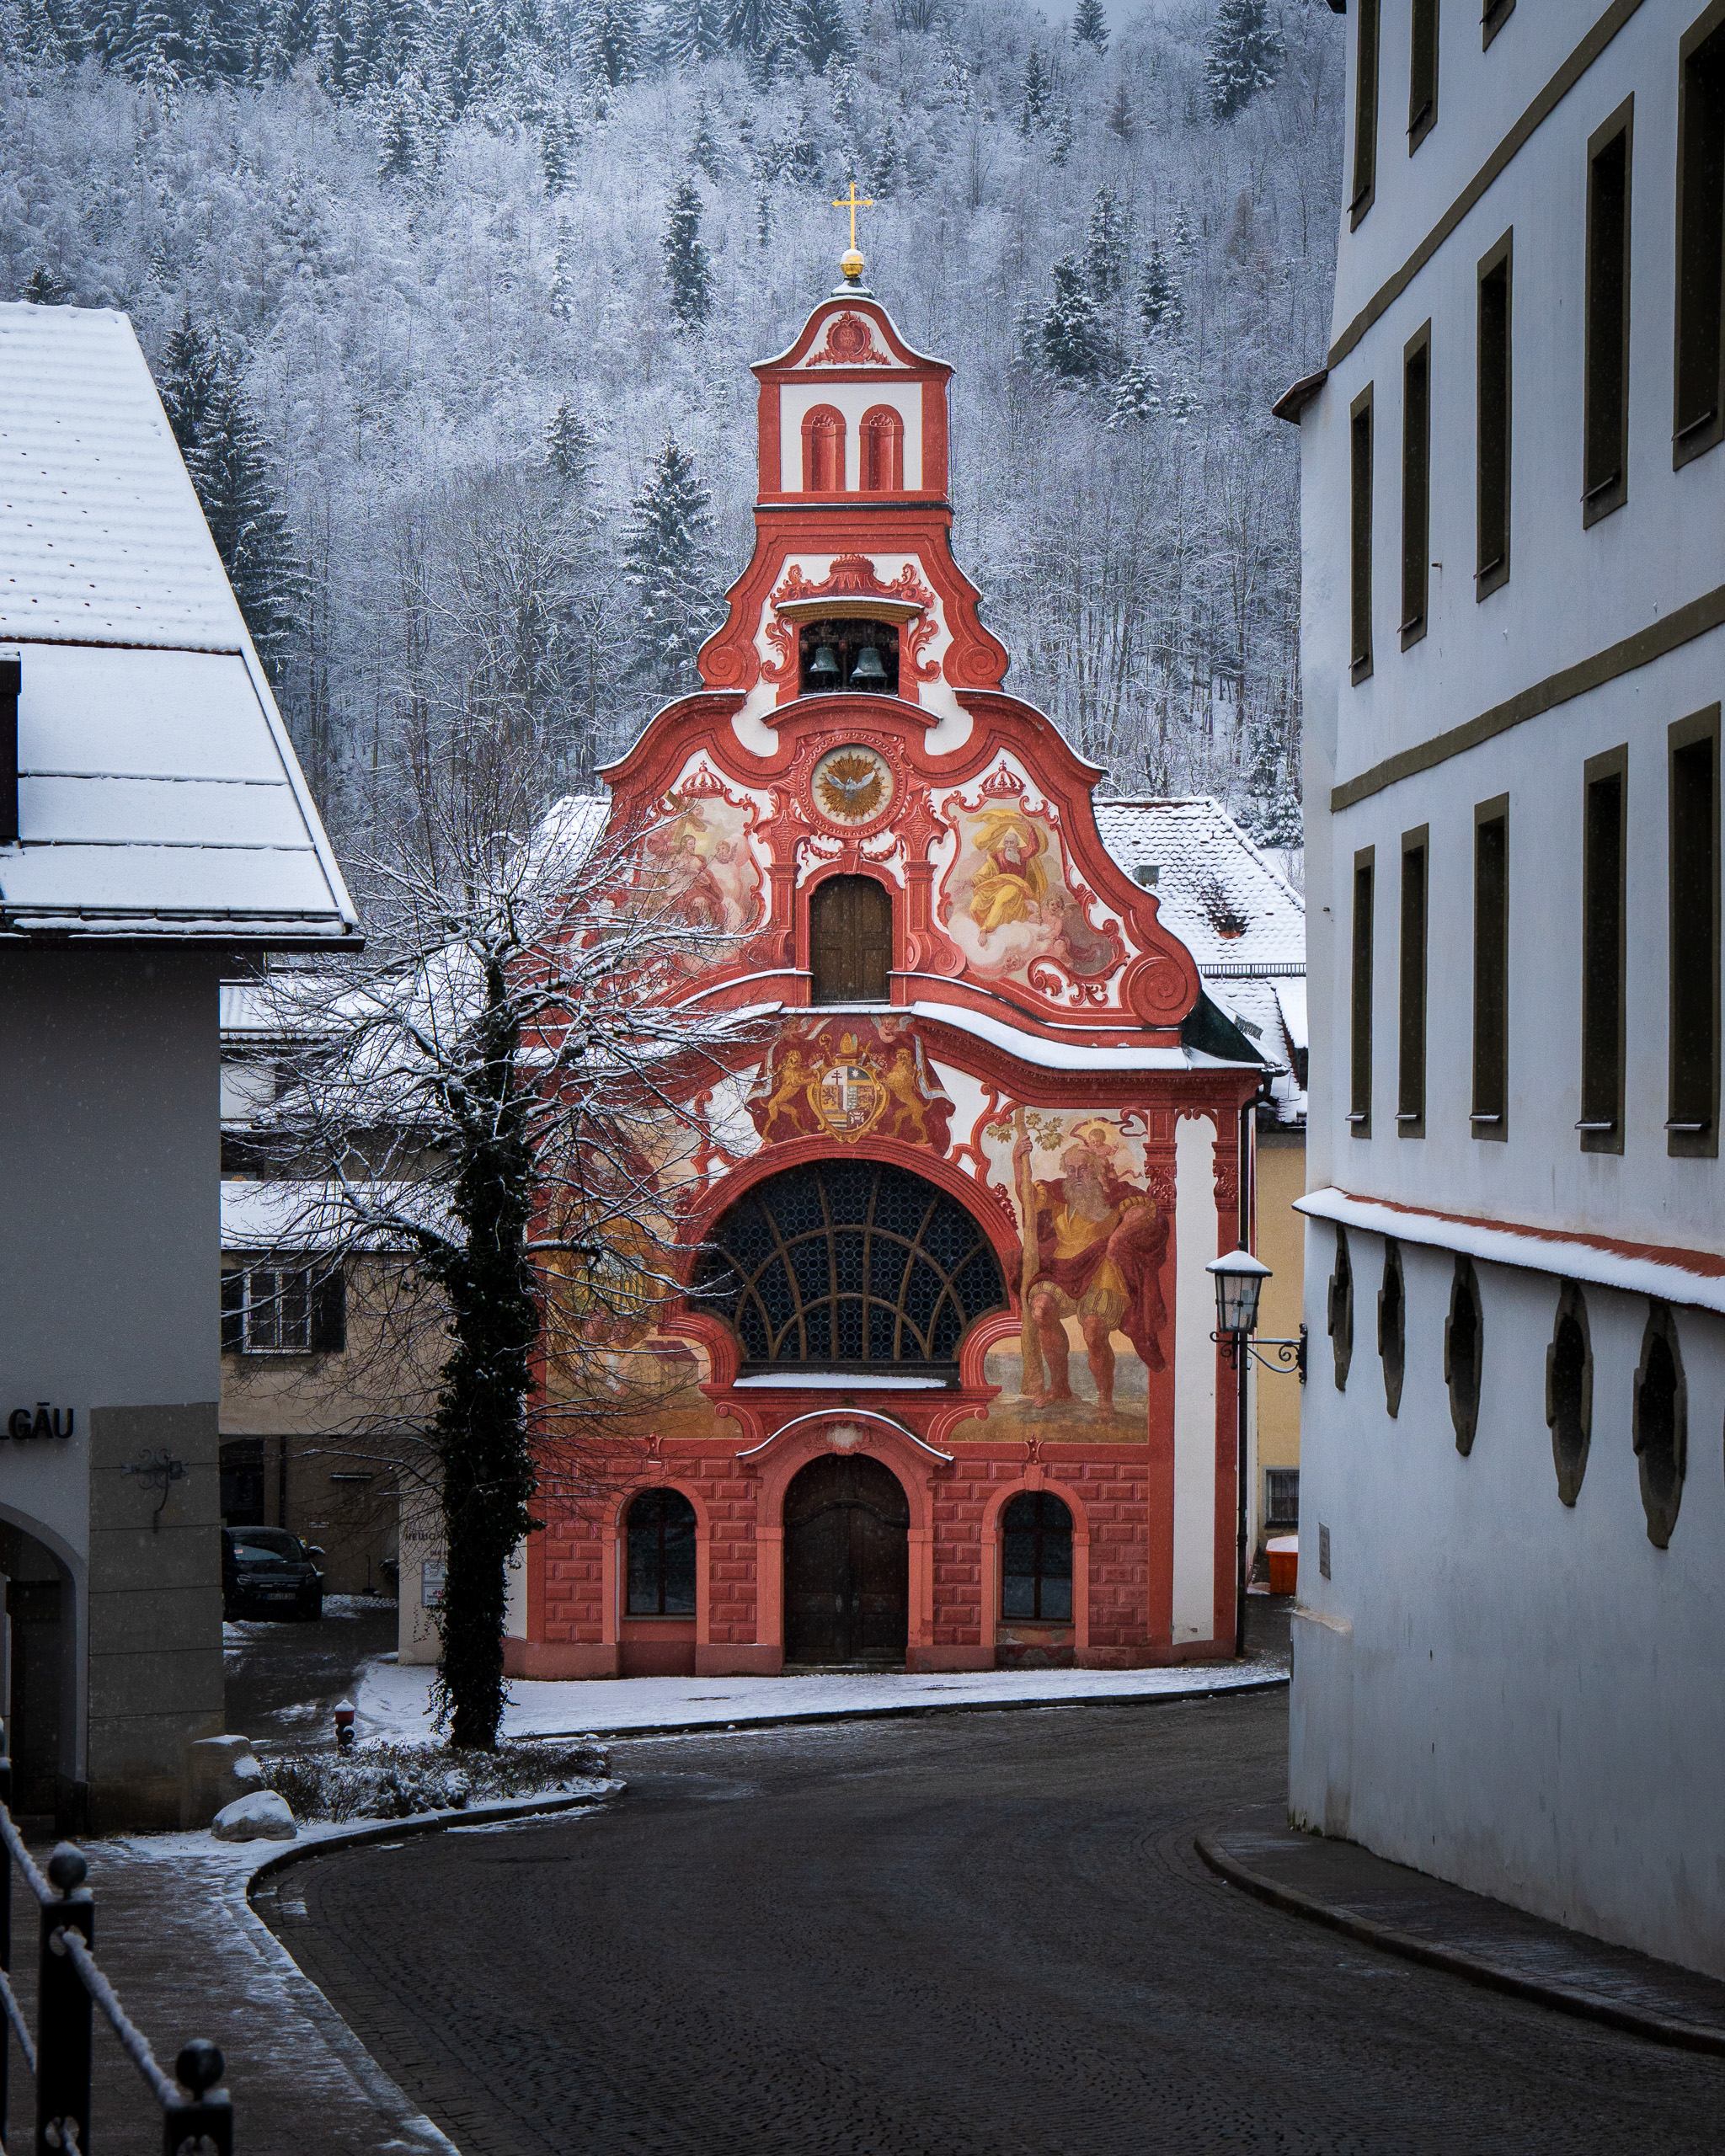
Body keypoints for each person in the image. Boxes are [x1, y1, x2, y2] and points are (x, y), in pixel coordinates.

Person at [1010, 1121, 1167, 1415]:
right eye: (1070, 1169)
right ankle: (1060, 1387)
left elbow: (1145, 1210)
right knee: (1041, 1309)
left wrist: (1117, 1238)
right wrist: (1018, 1163)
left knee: (1094, 1330)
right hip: (1061, 1265)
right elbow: (1028, 1200)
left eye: (1082, 1169)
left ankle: (1104, 1399)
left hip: (1102, 1267)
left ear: (1094, 1169)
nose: (1076, 1175)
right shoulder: (1058, 1193)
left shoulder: (1114, 1194)